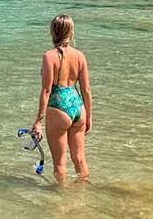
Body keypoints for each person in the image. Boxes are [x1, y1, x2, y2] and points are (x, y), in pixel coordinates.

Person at [31, 14, 92, 184]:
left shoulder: (49, 56)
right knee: (79, 159)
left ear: (52, 32)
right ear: (70, 32)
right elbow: (86, 90)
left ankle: (62, 202)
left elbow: (46, 90)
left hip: (59, 106)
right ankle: (83, 193)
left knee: (59, 164)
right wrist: (89, 116)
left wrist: (38, 121)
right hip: (78, 106)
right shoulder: (80, 56)